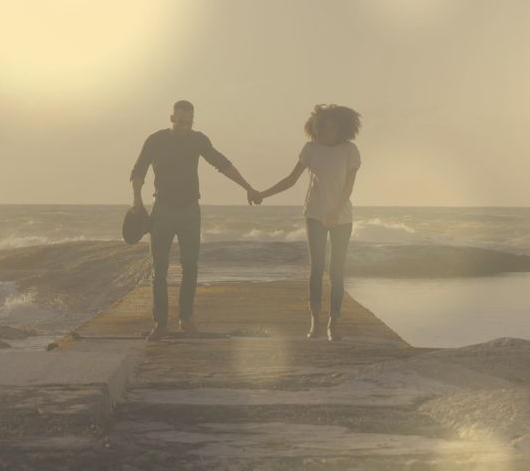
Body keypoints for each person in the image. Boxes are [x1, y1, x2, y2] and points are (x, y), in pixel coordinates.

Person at [130, 100, 262, 342]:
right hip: (162, 210)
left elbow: (222, 164)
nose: (184, 127)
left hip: (190, 211)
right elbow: (138, 172)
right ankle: (160, 324)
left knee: (190, 267)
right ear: (172, 118)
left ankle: (186, 318)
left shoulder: (198, 140)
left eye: (189, 123)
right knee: (159, 270)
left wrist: (248, 187)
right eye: (180, 122)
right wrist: (137, 201)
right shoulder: (155, 140)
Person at [255, 104, 362, 342]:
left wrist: (334, 212)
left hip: (342, 217)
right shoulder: (311, 149)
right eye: (324, 128)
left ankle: (334, 323)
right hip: (314, 214)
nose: (328, 133)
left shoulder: (350, 150)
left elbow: (349, 186)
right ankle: (316, 321)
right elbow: (291, 180)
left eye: (333, 128)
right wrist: (263, 193)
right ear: (317, 128)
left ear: (342, 128)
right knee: (316, 268)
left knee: (337, 270)